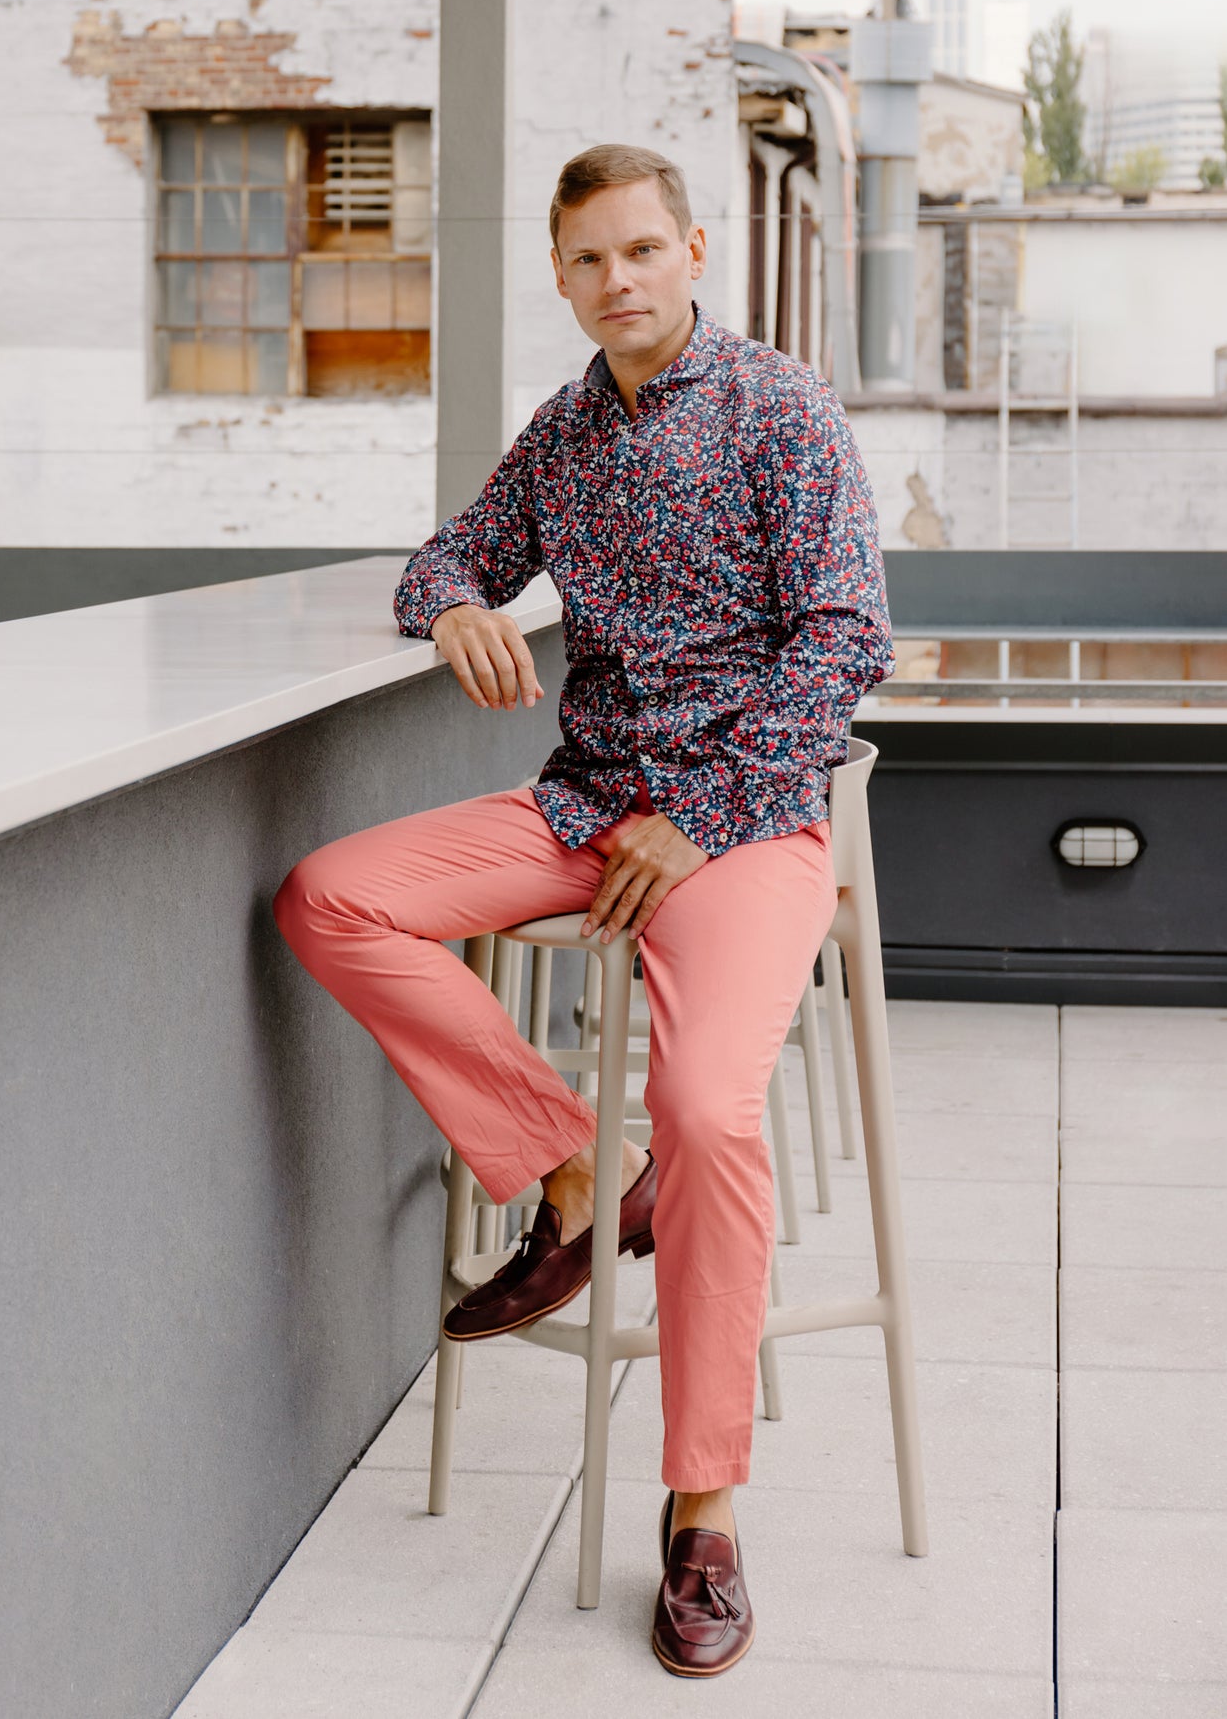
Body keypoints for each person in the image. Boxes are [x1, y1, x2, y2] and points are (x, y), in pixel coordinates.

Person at [274, 143, 893, 1679]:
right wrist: (462, 605)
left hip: (740, 822)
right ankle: (570, 1164)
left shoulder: (780, 411)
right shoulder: (563, 433)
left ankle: (703, 1510)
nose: (617, 281)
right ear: (560, 276)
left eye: (641, 251)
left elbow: (845, 640)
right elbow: (449, 554)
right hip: (583, 805)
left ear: (694, 248)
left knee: (706, 1103)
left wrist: (700, 817)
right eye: (586, 261)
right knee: (330, 895)